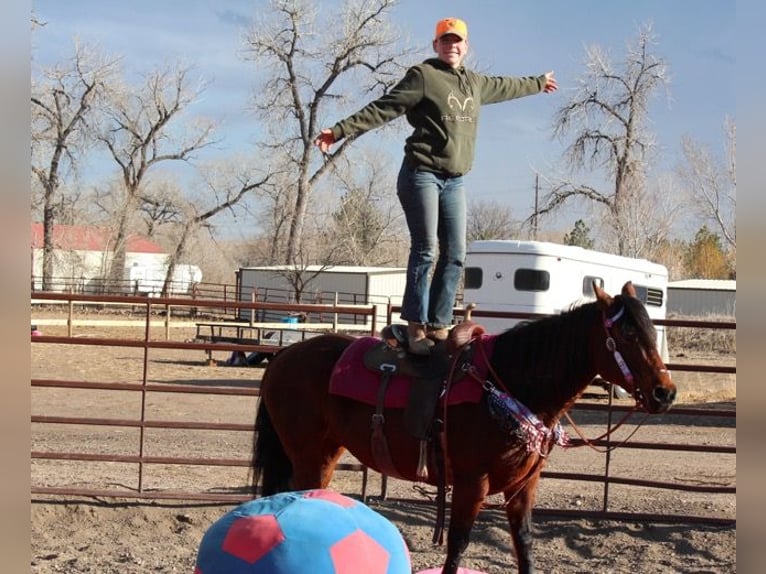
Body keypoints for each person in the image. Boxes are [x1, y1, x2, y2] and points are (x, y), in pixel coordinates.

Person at [315, 17, 557, 354]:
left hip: (454, 181)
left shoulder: (474, 83)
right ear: (436, 45)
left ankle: (439, 325)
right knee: (426, 248)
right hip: (421, 174)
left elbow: (506, 86)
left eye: (457, 41)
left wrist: (537, 82)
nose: (452, 46)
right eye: (446, 41)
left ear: (466, 46)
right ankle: (415, 327)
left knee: (456, 253)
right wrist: (339, 130)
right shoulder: (424, 76)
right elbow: (385, 107)